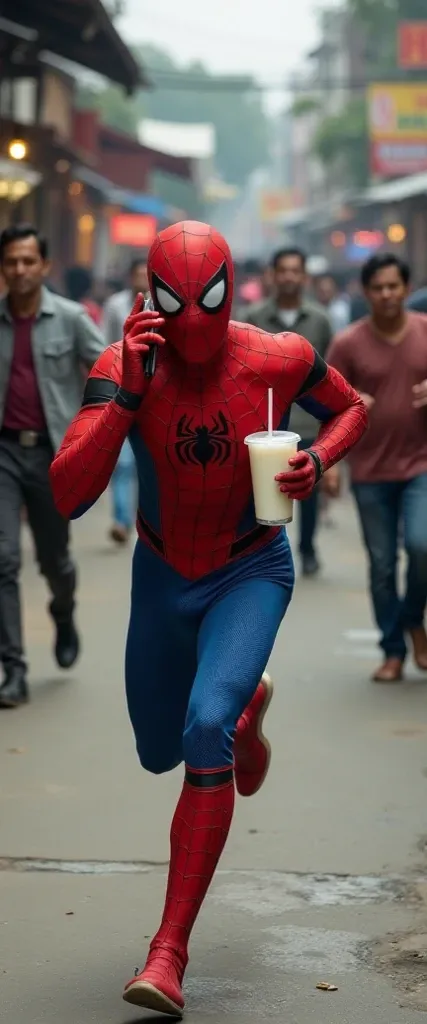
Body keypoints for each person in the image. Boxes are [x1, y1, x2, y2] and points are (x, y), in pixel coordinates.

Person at [50, 220, 366, 1016]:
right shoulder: (127, 363)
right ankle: (245, 714)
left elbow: (349, 409)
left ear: (231, 291)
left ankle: (168, 952)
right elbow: (67, 493)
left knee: (200, 732)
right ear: (149, 297)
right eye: (174, 303)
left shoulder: (279, 356)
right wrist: (126, 391)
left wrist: (316, 460)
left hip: (249, 565)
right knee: (159, 748)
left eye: (209, 301)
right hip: (161, 573)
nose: (192, 321)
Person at [0, 223, 105, 708]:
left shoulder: (70, 317)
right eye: (11, 262)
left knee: (53, 560)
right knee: (3, 561)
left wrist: (99, 428)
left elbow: (110, 368)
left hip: (51, 455)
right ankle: (14, 670)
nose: (19, 270)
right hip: (3, 454)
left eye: (27, 261)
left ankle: (63, 610)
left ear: (43, 266)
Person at [326, 252, 427, 683]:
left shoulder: (425, 332)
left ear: (406, 288)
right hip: (369, 470)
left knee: (423, 546)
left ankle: (410, 620)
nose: (387, 294)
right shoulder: (348, 343)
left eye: (394, 286)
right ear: (366, 293)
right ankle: (392, 650)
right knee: (382, 564)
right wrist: (329, 460)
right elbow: (326, 402)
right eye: (378, 287)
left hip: (421, 463)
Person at [242, 247, 333, 576]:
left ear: (304, 276)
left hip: (309, 422)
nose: (289, 276)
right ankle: (262, 550)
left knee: (308, 487)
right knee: (264, 488)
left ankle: (307, 546)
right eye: (283, 270)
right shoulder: (252, 317)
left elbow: (330, 376)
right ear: (273, 275)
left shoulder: (320, 320)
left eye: (296, 270)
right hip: (264, 423)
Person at [103, 259, 149, 544]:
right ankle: (121, 520)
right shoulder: (114, 306)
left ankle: (145, 520)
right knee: (122, 463)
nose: (142, 279)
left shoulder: (164, 307)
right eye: (138, 275)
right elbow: (103, 345)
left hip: (155, 396)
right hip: (120, 391)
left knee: (146, 462)